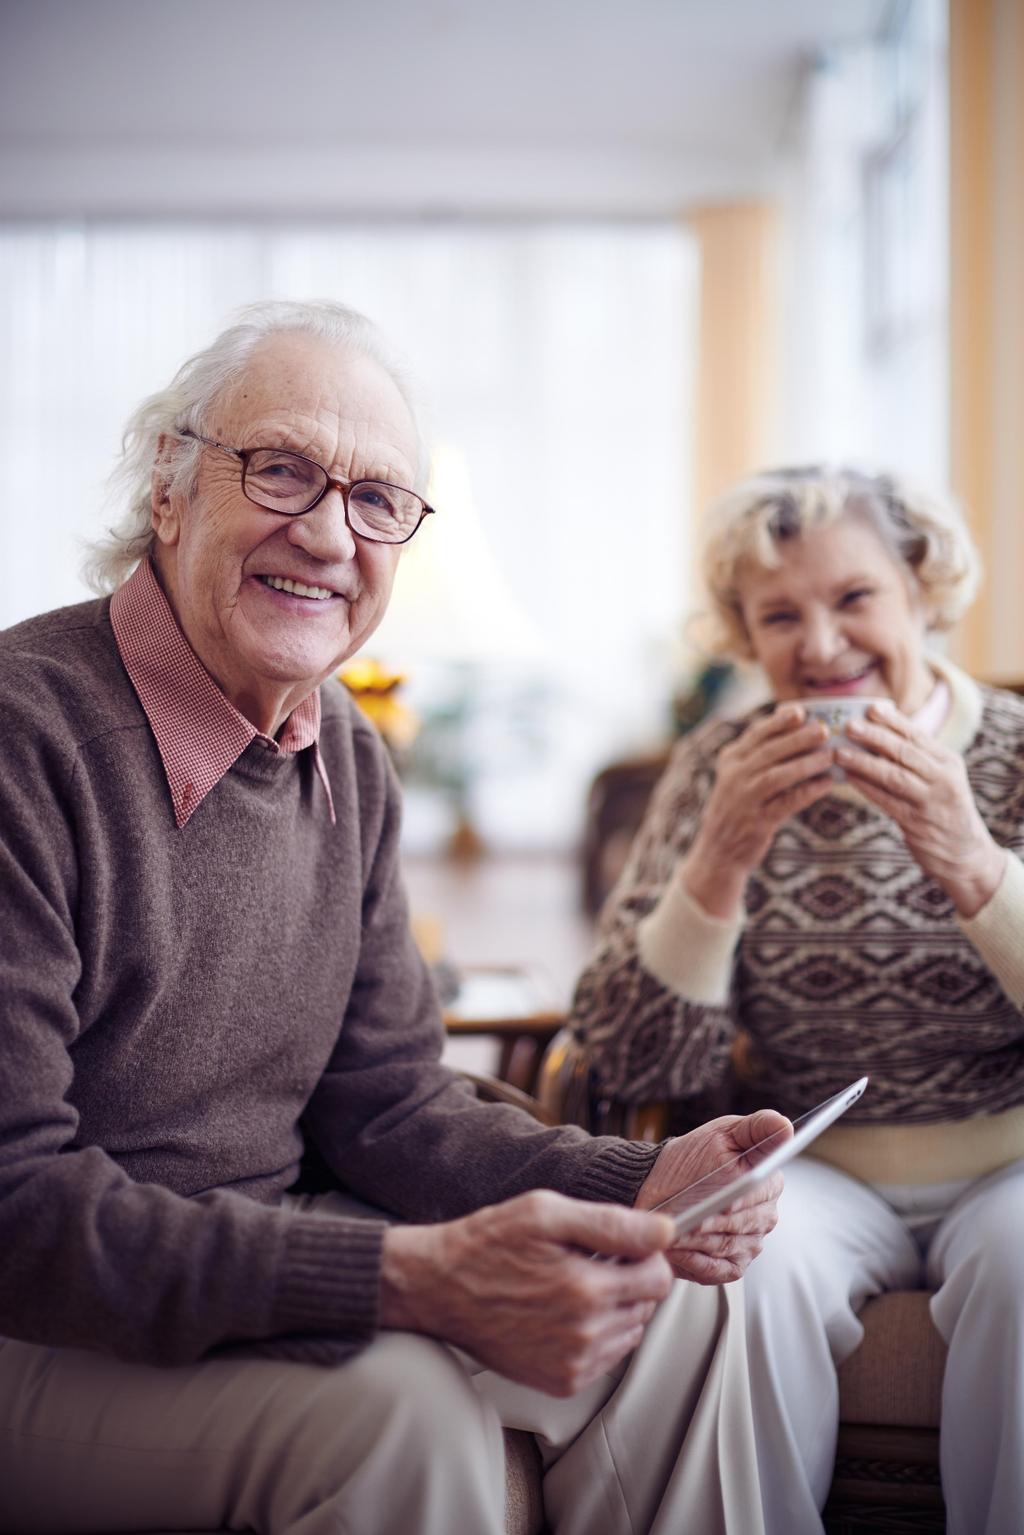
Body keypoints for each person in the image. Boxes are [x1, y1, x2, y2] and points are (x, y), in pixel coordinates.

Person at [0, 299, 789, 1535]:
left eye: (377, 501)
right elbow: (17, 1206)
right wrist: (399, 1280)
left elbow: (387, 1100)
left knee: (677, 1291)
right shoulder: (25, 737)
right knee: (403, 1406)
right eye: (280, 470)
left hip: (266, 1245)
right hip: (41, 1318)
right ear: (168, 488)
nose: (327, 533)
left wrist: (636, 1183)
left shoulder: (347, 750)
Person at [569, 465, 1024, 1535]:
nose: (818, 646)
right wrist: (718, 858)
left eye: (853, 598)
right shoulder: (714, 764)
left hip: (1009, 1157)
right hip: (812, 1162)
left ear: (921, 589)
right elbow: (627, 1056)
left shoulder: (1013, 749)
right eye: (780, 613)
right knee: (737, 1264)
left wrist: (970, 861)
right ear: (746, 634)